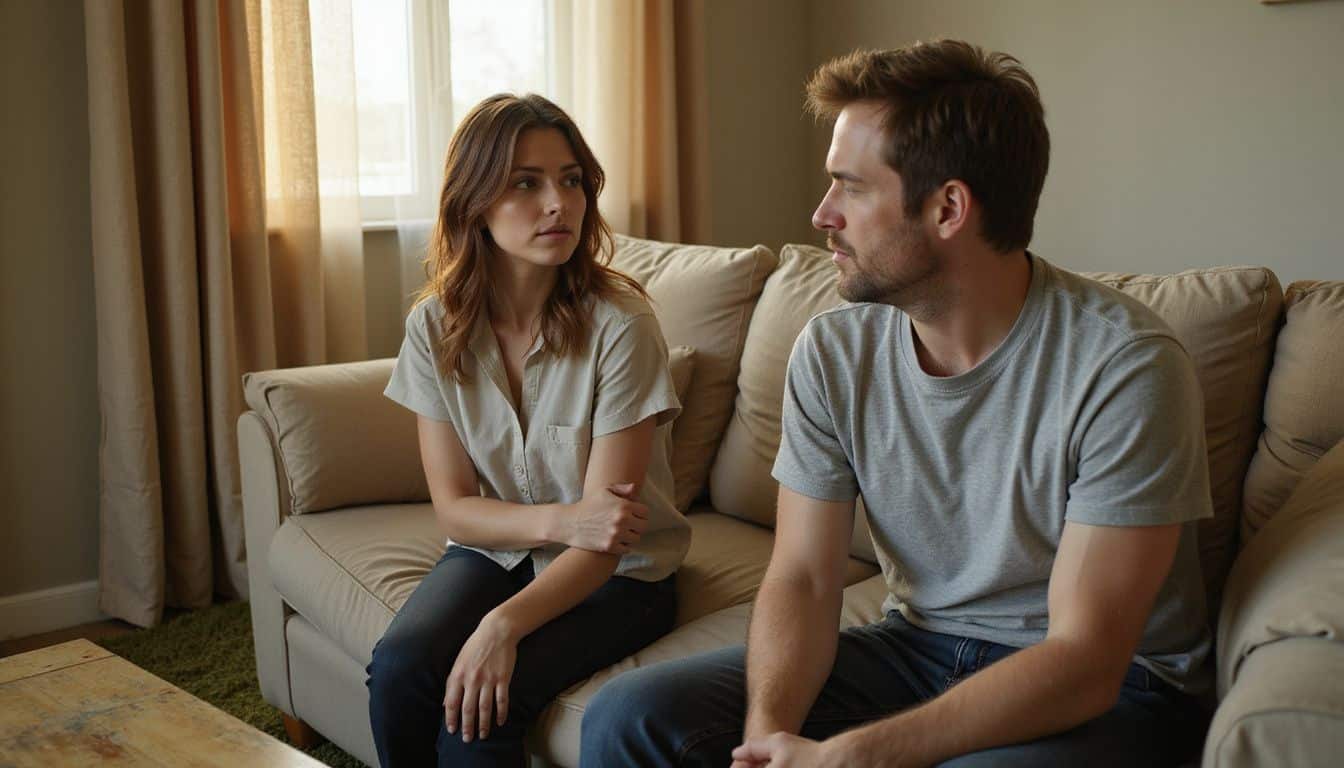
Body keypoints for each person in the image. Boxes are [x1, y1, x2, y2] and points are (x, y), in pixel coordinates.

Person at [581, 40, 1214, 767]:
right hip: (916, 647)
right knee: (630, 718)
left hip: (1112, 690)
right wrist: (767, 739)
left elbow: (1086, 659)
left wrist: (852, 756)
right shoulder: (833, 351)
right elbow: (805, 577)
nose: (822, 215)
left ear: (948, 207)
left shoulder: (1125, 366)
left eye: (850, 187)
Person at [369, 92, 689, 767]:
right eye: (526, 183)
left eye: (571, 180)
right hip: (499, 552)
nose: (559, 203)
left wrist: (501, 624)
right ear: (475, 203)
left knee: (480, 715)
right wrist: (558, 523)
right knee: (400, 670)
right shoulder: (434, 326)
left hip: (622, 575)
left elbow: (606, 539)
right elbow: (455, 507)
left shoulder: (622, 325)